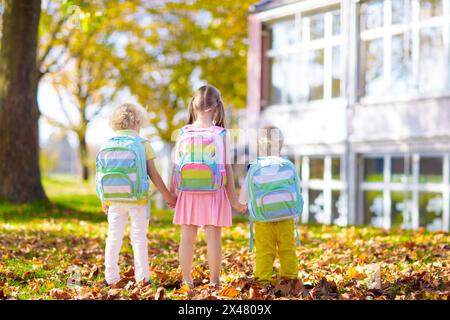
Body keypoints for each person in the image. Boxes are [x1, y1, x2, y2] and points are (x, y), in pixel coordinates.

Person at [172, 85, 246, 288]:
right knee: (213, 237)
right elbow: (227, 168)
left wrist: (173, 194)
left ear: (194, 106)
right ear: (216, 107)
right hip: (214, 192)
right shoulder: (221, 134)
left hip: (188, 192)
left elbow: (176, 166)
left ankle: (187, 280)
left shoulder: (183, 132)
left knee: (187, 237)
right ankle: (214, 281)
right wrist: (234, 200)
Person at [101, 103, 177, 285]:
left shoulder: (107, 143)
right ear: (137, 121)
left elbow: (103, 173)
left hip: (115, 199)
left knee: (113, 236)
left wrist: (104, 199)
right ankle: (142, 278)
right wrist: (168, 196)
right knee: (138, 238)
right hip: (138, 199)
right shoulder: (143, 144)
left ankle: (111, 277)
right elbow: (153, 174)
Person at [239, 126, 299, 286]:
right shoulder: (287, 165)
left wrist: (242, 204)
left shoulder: (255, 168)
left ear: (259, 147)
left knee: (264, 252)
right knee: (288, 250)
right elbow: (297, 191)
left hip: (263, 220)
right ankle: (290, 279)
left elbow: (245, 192)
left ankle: (263, 281)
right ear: (280, 146)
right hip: (286, 218)